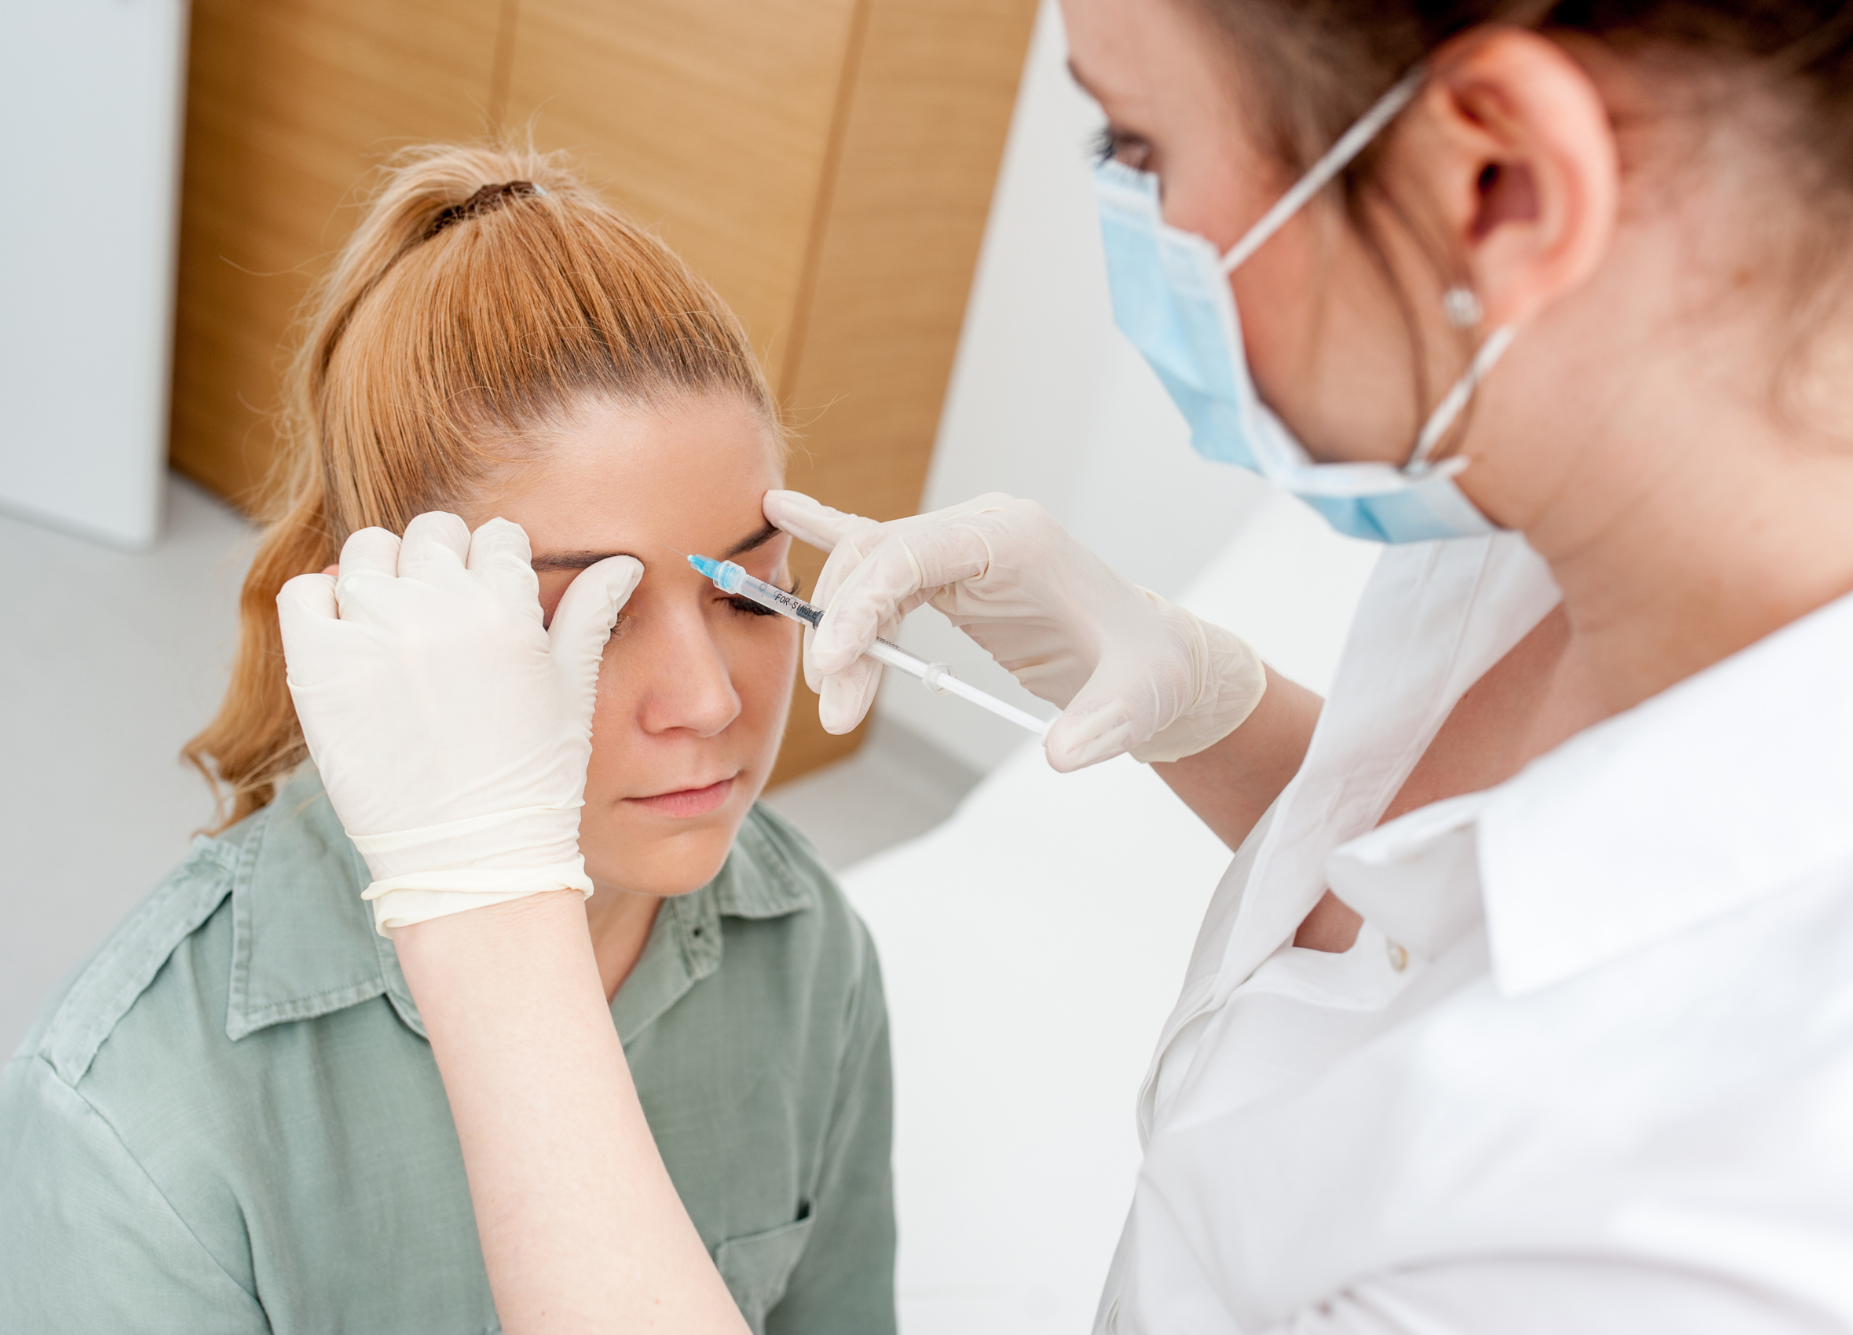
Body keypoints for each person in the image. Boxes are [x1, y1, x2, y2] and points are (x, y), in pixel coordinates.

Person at [268, 0, 1853, 1330]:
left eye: (1138, 144)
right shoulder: (1523, 529)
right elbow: (1458, 892)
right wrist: (1216, 705)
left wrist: (483, 913)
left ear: (1500, 181)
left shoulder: (1719, 1203)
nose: (705, 698)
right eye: (591, 608)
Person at [0, 147, 895, 1334]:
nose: (708, 701)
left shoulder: (810, 956)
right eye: (581, 618)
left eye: (750, 592)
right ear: (384, 633)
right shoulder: (130, 1127)